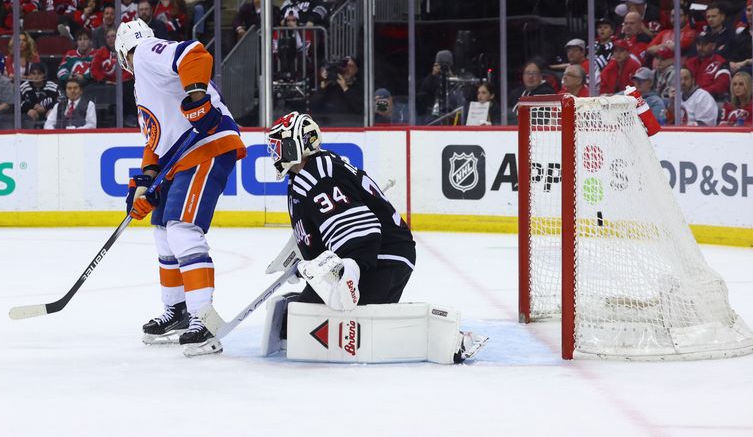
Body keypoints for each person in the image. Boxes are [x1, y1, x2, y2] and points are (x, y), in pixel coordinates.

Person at [263, 111, 485, 364]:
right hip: (372, 254)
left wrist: (351, 268)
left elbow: (360, 229)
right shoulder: (306, 175)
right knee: (296, 320)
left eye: (279, 145)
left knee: (350, 324)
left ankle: (449, 337)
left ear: (297, 145)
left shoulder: (318, 175)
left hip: (381, 256)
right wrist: (307, 263)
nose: (274, 152)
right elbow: (320, 230)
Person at [115, 19, 246, 356]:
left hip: (208, 144)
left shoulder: (144, 53)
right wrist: (145, 182)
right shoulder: (143, 84)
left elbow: (194, 53)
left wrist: (197, 97)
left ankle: (203, 317)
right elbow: (155, 141)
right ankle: (178, 311)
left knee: (182, 228)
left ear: (121, 53)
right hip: (180, 157)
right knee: (162, 229)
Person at [684, 32, 731, 101]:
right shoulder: (690, 62)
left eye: (704, 44)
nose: (700, 48)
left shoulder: (721, 63)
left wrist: (697, 93)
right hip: (689, 100)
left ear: (713, 46)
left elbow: (721, 87)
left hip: (712, 101)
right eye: (698, 44)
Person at [20, 62, 59, 129]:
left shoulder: (52, 86)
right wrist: (32, 106)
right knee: (31, 113)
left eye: (39, 73)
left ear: (44, 75)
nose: (36, 76)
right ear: (30, 75)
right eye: (34, 74)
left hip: (47, 112)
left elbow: (60, 99)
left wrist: (46, 108)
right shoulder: (24, 87)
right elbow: (18, 103)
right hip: (32, 114)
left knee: (52, 113)